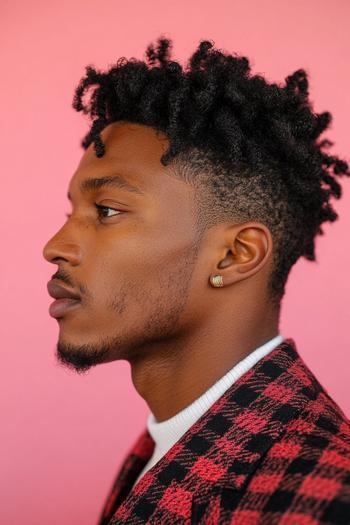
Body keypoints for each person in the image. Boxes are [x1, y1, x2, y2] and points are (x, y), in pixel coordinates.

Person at [42, 36, 350, 524]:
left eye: (106, 211)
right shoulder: (165, 450)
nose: (55, 246)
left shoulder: (327, 498)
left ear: (234, 255)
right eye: (71, 212)